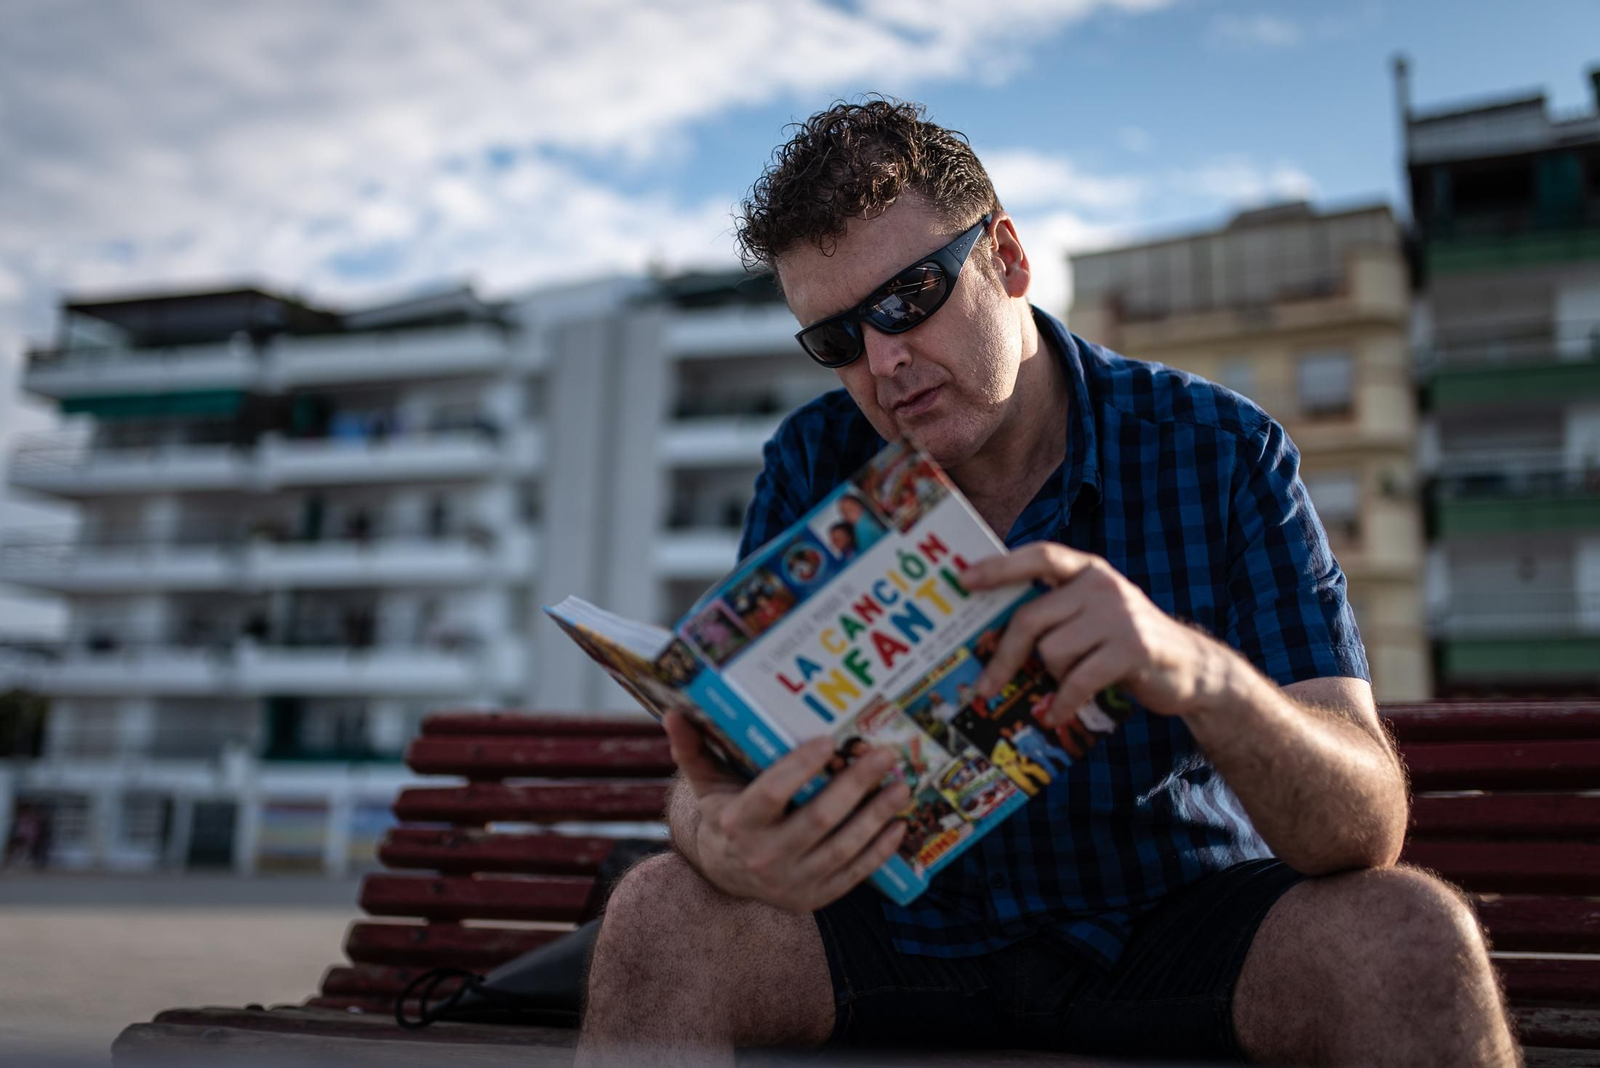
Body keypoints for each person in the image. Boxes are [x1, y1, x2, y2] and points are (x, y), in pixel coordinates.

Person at [579, 101, 1515, 1068]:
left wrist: (1194, 671)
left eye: (909, 298)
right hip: (905, 928)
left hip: (1170, 920)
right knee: (659, 909)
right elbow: (719, 777)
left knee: (1408, 935)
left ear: (1007, 258)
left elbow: (1366, 826)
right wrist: (716, 835)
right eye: (837, 340)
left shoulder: (1219, 450)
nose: (884, 361)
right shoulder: (814, 462)